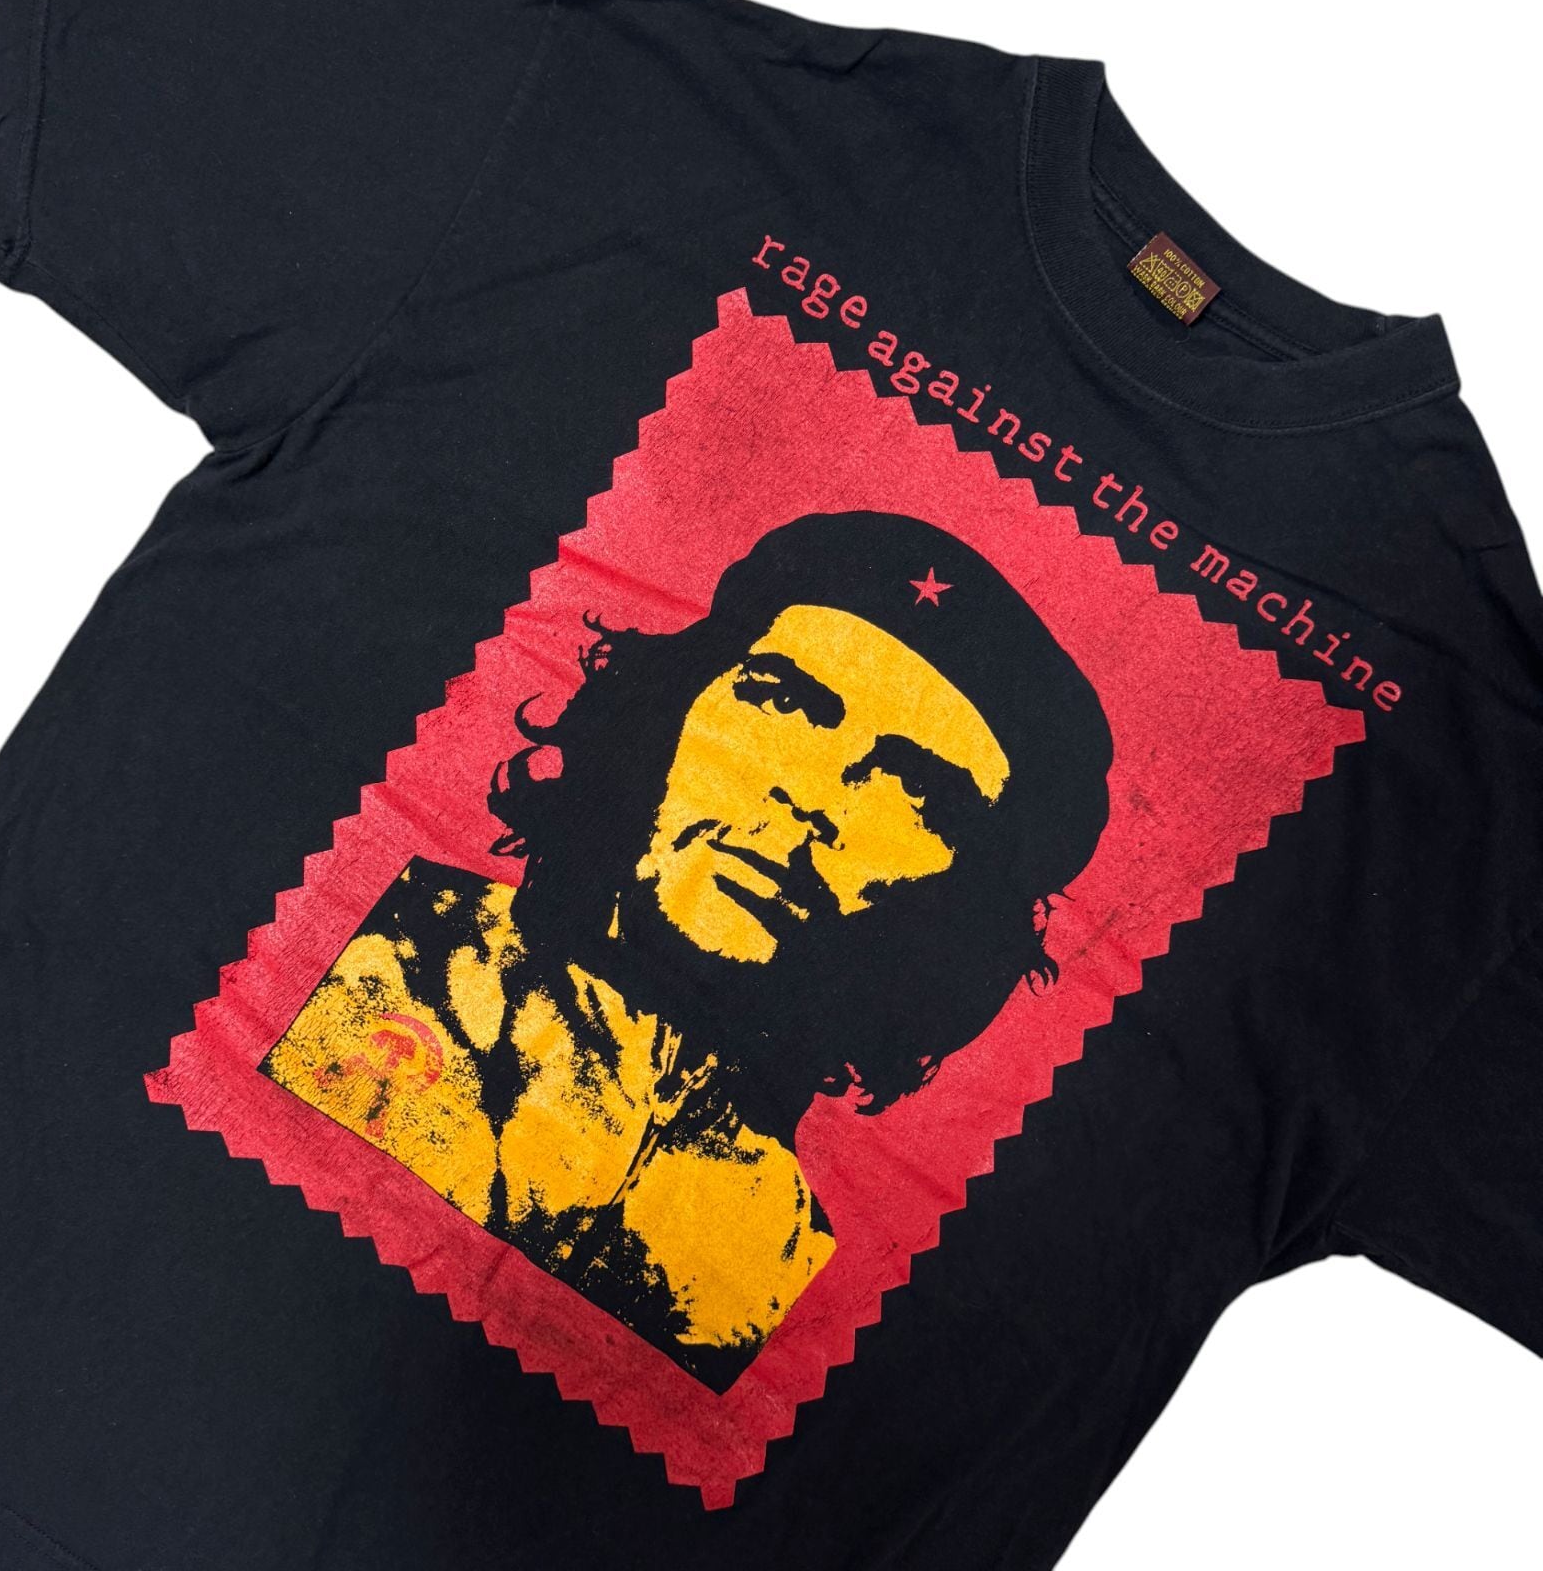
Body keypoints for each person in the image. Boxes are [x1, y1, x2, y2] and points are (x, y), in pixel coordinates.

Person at [261, 509, 1112, 1387]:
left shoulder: (783, 1257)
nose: (813, 799)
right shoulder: (392, 961)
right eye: (783, 702)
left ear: (958, 908)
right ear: (670, 704)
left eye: (918, 793)